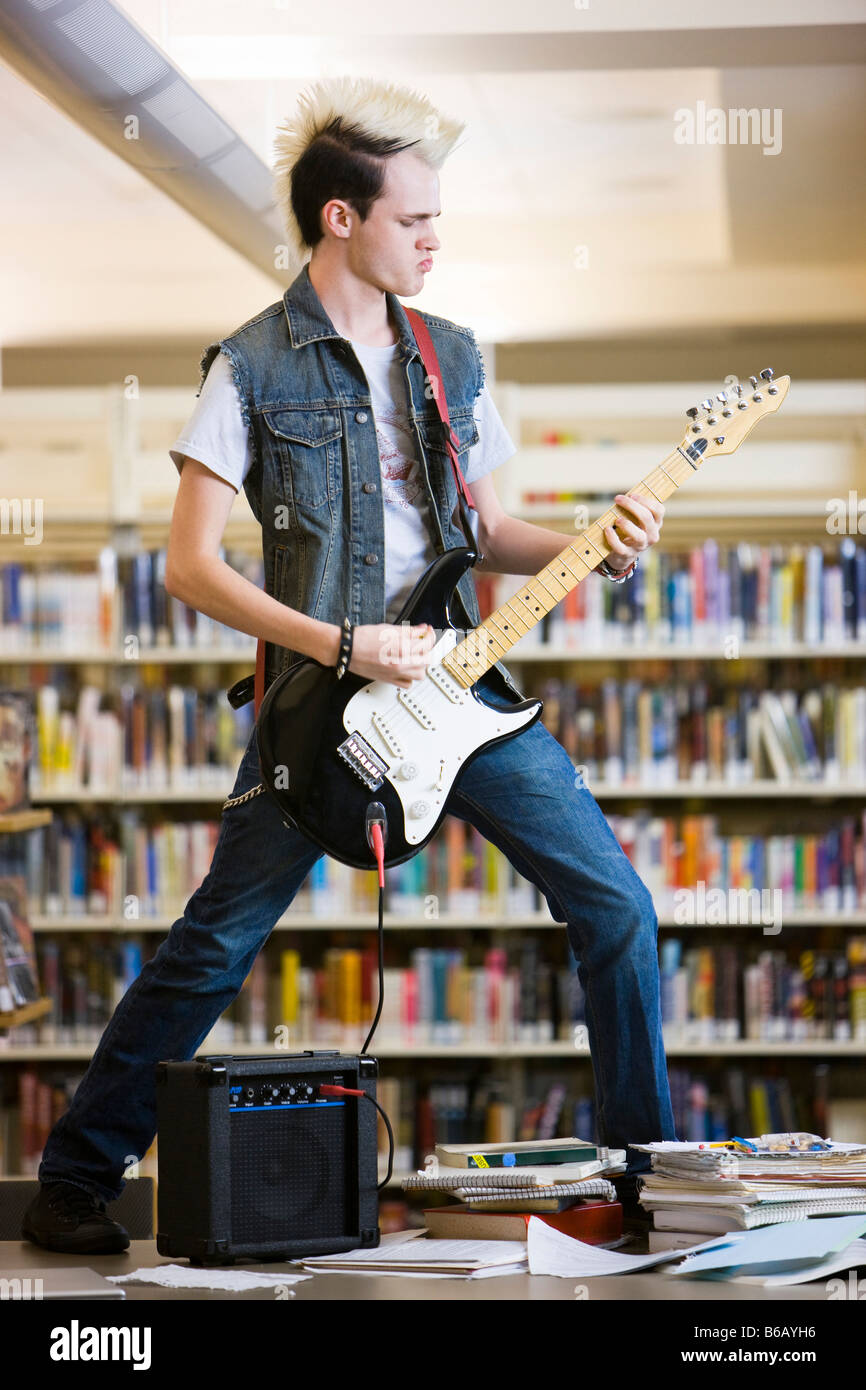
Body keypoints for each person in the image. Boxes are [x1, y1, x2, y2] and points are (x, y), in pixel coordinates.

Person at [24, 75, 675, 1254]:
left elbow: (481, 532)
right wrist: (338, 641)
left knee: (617, 903)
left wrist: (596, 540)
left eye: (437, 219)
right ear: (340, 217)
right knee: (215, 940)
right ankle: (77, 1173)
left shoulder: (453, 358)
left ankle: (643, 1171)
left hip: (462, 693)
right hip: (323, 712)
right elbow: (187, 568)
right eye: (413, 220)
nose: (436, 239)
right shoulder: (251, 368)